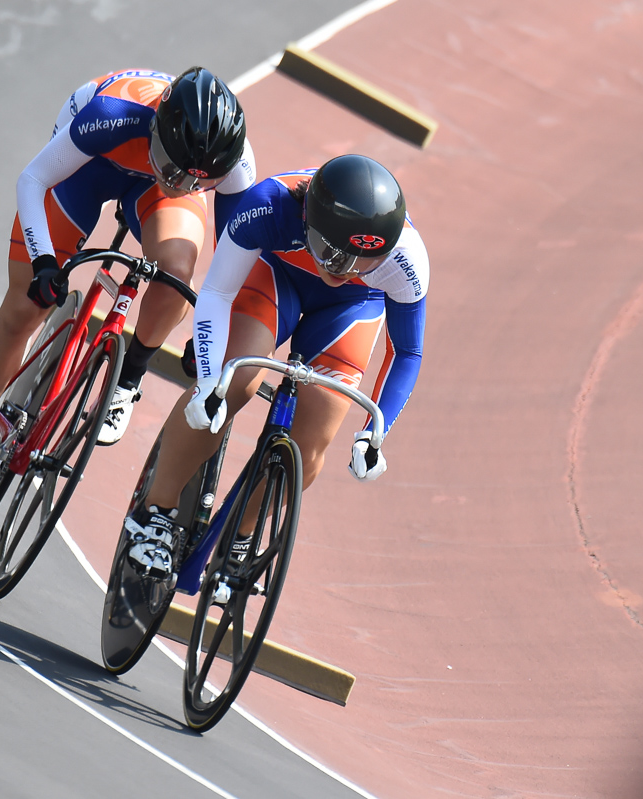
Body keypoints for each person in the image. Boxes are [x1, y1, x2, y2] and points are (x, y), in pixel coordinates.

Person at [0, 67, 255, 514]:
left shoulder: (231, 163)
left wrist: (210, 342)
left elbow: (231, 266)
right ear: (158, 126)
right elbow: (33, 180)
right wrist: (44, 262)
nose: (182, 185)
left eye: (198, 182)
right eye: (176, 171)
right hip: (92, 163)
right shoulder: (112, 114)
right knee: (24, 307)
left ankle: (130, 374)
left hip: (151, 192)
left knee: (177, 277)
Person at [123, 154, 428, 578]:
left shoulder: (407, 259)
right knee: (237, 382)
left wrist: (374, 433)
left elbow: (407, 352)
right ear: (307, 220)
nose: (342, 271)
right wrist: (212, 378)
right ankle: (155, 511)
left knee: (312, 442)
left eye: (362, 264)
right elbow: (216, 293)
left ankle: (241, 534)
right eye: (331, 255)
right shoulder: (270, 204)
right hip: (276, 273)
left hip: (353, 307)